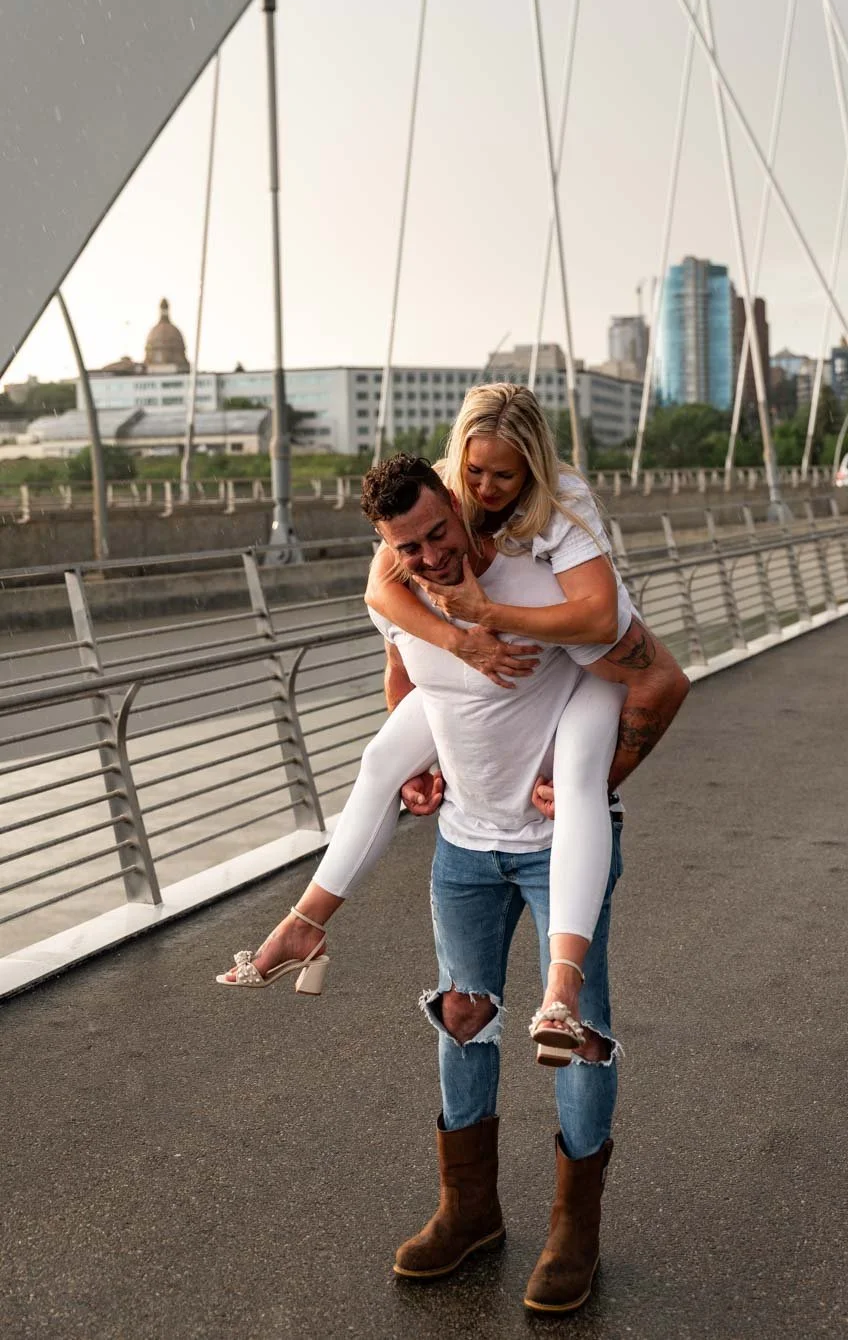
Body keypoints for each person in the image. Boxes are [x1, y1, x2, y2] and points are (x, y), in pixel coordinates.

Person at [219, 385, 685, 1064]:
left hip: (585, 655)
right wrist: (460, 643)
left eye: (504, 475)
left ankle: (560, 990)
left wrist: (487, 616)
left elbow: (599, 620)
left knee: (581, 779)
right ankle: (304, 924)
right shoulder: (435, 498)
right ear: (456, 466)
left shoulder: (564, 502)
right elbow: (381, 594)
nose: (487, 488)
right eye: (475, 472)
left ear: (532, 468)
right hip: (475, 667)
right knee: (382, 760)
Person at [336, 455, 689, 1310]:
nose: (430, 550)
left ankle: (575, 1230)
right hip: (465, 844)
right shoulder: (413, 566)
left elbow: (659, 676)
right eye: (475, 473)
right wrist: (419, 762)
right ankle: (469, 1210)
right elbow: (402, 658)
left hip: (559, 845)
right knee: (462, 1013)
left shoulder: (560, 575)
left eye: (497, 479)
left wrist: (600, 780)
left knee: (581, 1029)